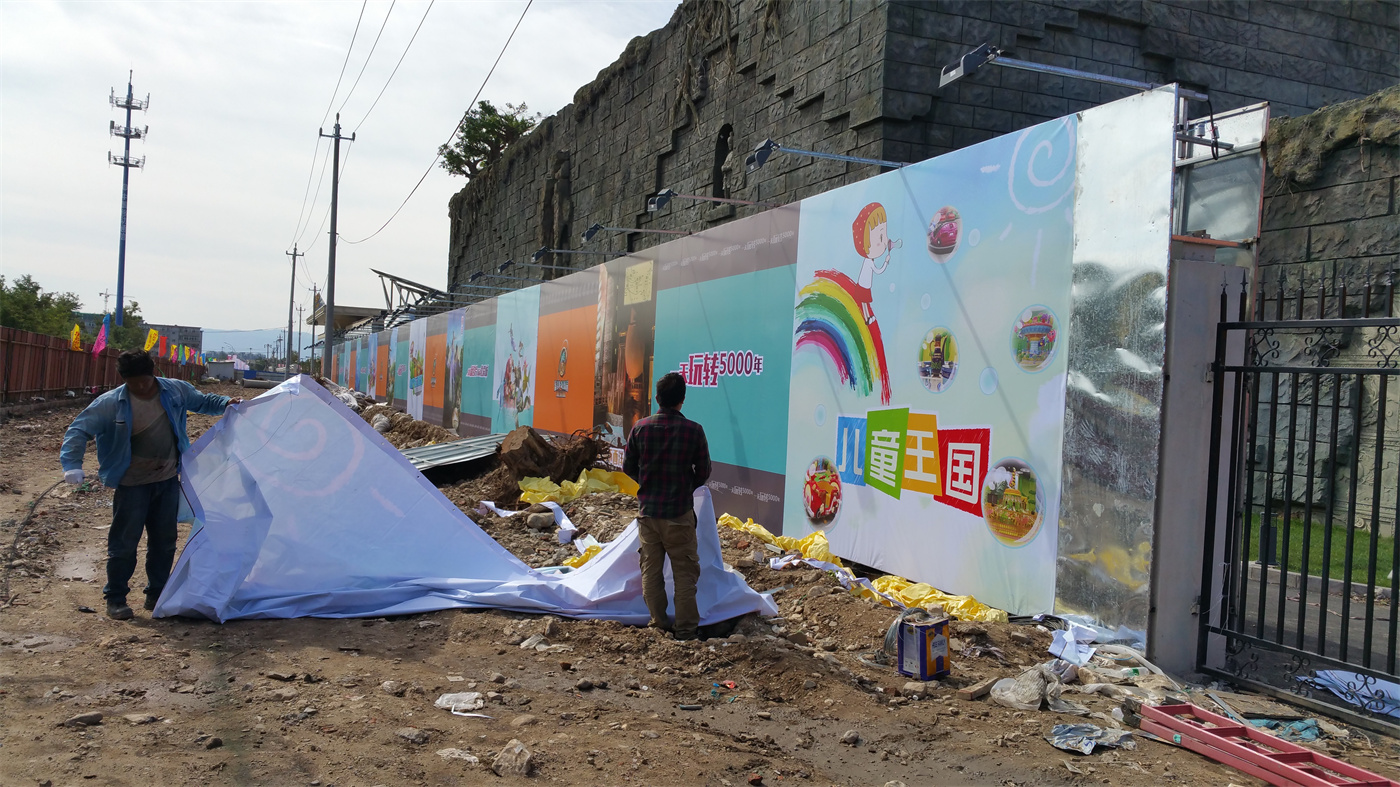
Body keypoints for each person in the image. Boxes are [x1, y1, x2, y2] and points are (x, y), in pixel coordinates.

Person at [60, 350, 241, 620]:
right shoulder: (111, 403)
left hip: (167, 480)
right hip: (132, 483)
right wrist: (72, 464)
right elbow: (78, 430)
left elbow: (204, 402)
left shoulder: (175, 391)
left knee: (164, 541)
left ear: (153, 373)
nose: (142, 387)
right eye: (134, 383)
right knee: (124, 542)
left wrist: (229, 402)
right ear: (124, 380)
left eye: (145, 381)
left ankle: (157, 595)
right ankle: (116, 597)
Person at [622, 372, 712, 640]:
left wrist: (646, 484)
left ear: (657, 398)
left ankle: (658, 624)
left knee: (650, 571)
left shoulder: (640, 428)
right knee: (684, 574)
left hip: (648, 514)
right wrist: (686, 488)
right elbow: (704, 470)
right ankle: (686, 631)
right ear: (682, 400)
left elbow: (628, 466)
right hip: (679, 515)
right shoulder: (694, 431)